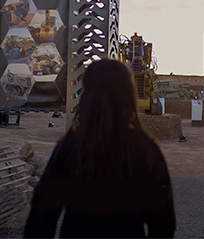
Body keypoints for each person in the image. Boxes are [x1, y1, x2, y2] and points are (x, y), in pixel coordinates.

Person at [24, 58, 175, 238]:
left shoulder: (70, 147)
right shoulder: (145, 149)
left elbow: (41, 219)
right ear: (128, 95)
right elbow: (163, 223)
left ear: (86, 95)